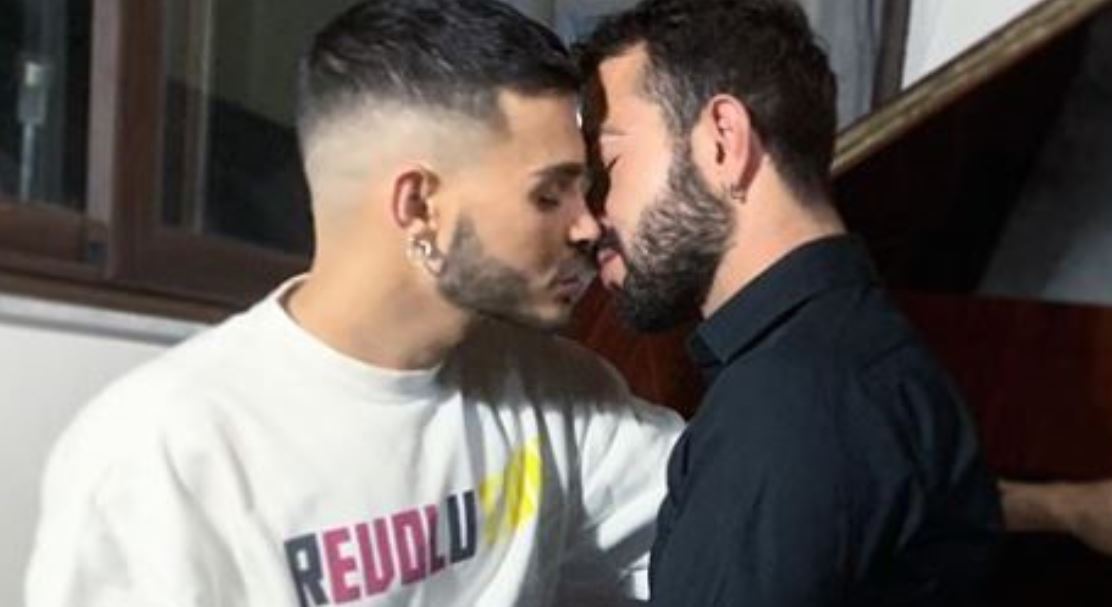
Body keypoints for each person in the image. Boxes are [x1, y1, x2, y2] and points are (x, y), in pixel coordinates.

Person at [25, 1, 682, 605]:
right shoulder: (163, 450)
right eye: (549, 194)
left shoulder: (556, 391)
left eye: (584, 190)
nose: (587, 226)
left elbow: (717, 524)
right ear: (418, 205)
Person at [579, 1, 1001, 604]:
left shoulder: (789, 400)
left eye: (608, 165)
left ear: (723, 140)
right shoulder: (848, 355)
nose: (589, 220)